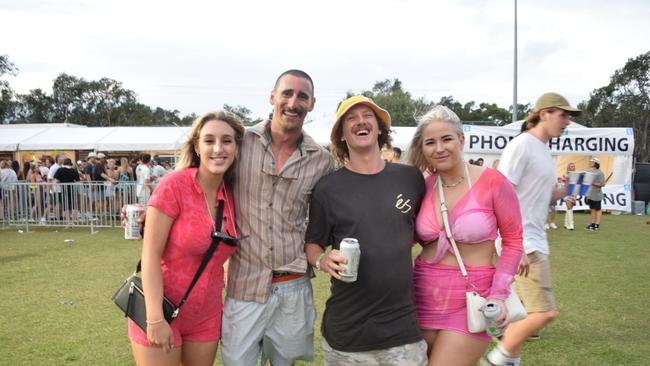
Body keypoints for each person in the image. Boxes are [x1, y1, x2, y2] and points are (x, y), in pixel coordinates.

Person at [220, 70, 335, 366]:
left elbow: (332, 214)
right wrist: (158, 208)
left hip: (293, 287)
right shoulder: (240, 142)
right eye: (287, 93)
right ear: (272, 97)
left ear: (311, 104)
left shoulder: (321, 160)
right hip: (244, 285)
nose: (293, 102)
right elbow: (201, 176)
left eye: (302, 96)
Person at [304, 95, 427, 365]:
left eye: (368, 116)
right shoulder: (328, 189)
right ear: (341, 135)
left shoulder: (410, 178)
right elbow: (313, 243)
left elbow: (425, 229)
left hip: (403, 331)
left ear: (380, 128)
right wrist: (322, 260)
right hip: (348, 334)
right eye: (351, 118)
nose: (360, 121)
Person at [406, 105, 523, 366]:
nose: (439, 148)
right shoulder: (421, 187)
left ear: (461, 140)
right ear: (422, 148)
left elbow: (514, 241)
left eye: (447, 139)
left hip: (472, 297)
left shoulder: (493, 182)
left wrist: (498, 295)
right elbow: (404, 237)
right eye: (430, 142)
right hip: (421, 295)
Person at [129, 110, 244, 366]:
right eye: (209, 140)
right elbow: (150, 255)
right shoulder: (175, 186)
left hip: (207, 315)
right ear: (197, 146)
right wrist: (155, 317)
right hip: (161, 307)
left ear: (236, 147)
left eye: (227, 140)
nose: (218, 148)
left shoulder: (234, 194)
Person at [485, 92, 581, 366]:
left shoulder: (544, 150)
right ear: (544, 114)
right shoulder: (523, 145)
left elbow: (534, 196)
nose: (567, 122)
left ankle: (507, 357)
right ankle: (499, 358)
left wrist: (560, 193)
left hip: (533, 240)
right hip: (525, 243)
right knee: (543, 313)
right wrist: (515, 244)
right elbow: (501, 195)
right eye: (563, 115)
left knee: (520, 312)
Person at [53, 158, 81, 225]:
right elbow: (77, 181)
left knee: (66, 206)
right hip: (73, 189)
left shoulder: (60, 170)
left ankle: (68, 221)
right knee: (74, 205)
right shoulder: (74, 170)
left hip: (64, 189)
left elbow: (56, 180)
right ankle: (73, 221)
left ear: (63, 163)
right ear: (70, 163)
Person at [585, 157, 606, 231]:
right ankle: (593, 223)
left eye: (592, 162)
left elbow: (602, 184)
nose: (590, 163)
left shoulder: (600, 172)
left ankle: (597, 225)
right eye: (590, 161)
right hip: (590, 193)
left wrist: (593, 183)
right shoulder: (588, 171)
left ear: (596, 163)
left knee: (598, 209)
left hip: (597, 194)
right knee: (592, 209)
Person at [563, 162, 577, 230]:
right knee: (569, 207)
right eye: (571, 166)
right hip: (566, 193)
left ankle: (566, 223)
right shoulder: (565, 175)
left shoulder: (577, 175)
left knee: (570, 207)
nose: (572, 167)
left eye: (573, 166)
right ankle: (571, 225)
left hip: (573, 193)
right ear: (568, 167)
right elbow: (564, 185)